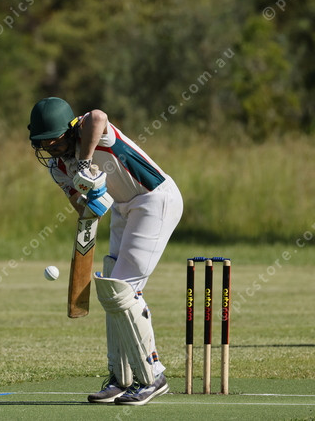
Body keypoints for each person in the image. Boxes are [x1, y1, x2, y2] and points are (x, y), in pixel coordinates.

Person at [28, 97, 183, 406]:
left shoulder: (93, 134)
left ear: (71, 130)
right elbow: (81, 207)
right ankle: (121, 378)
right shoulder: (58, 168)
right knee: (112, 288)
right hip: (124, 209)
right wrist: (92, 198)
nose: (50, 150)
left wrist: (85, 164)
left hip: (154, 199)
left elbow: (98, 116)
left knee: (122, 289)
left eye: (54, 142)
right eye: (43, 144)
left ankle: (152, 376)